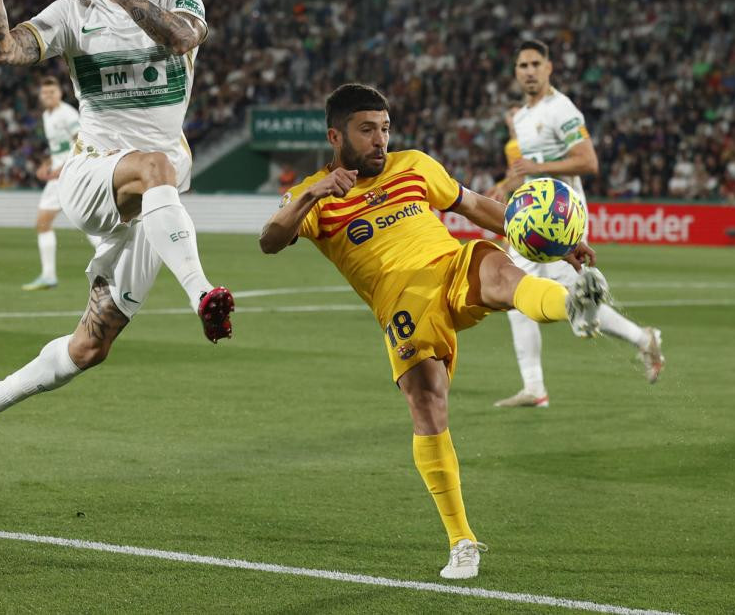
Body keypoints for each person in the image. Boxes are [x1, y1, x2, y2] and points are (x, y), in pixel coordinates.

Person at [259, 83, 624, 580]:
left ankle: (571, 305)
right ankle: (462, 541)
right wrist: (312, 193)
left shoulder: (414, 165)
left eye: (384, 129)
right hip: (401, 303)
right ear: (335, 136)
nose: (380, 140)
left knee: (499, 273)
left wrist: (560, 247)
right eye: (367, 130)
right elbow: (270, 239)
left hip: (450, 264)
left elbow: (475, 207)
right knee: (428, 403)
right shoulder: (317, 195)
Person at [0, 0, 234, 457]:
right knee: (155, 163)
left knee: (91, 345)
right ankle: (204, 297)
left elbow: (181, 39)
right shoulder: (73, 13)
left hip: (151, 204)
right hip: (92, 175)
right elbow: (0, 50)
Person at [491, 40, 663, 408]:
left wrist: (536, 169)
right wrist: (505, 187)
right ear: (516, 72)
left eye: (536, 63)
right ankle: (537, 386)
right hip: (534, 220)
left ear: (550, 67)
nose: (530, 71)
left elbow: (588, 161)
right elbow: (528, 169)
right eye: (523, 65)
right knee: (520, 294)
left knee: (550, 297)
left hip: (562, 220)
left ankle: (639, 339)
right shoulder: (522, 117)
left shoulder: (561, 109)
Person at [22, 76, 82, 291]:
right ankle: (48, 276)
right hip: (59, 175)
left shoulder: (68, 114)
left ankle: (49, 276)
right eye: (45, 93)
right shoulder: (48, 115)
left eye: (52, 92)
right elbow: (59, 146)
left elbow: (82, 142)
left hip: (69, 174)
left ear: (60, 94)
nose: (48, 96)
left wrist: (63, 166)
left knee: (47, 222)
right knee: (45, 222)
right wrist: (46, 163)